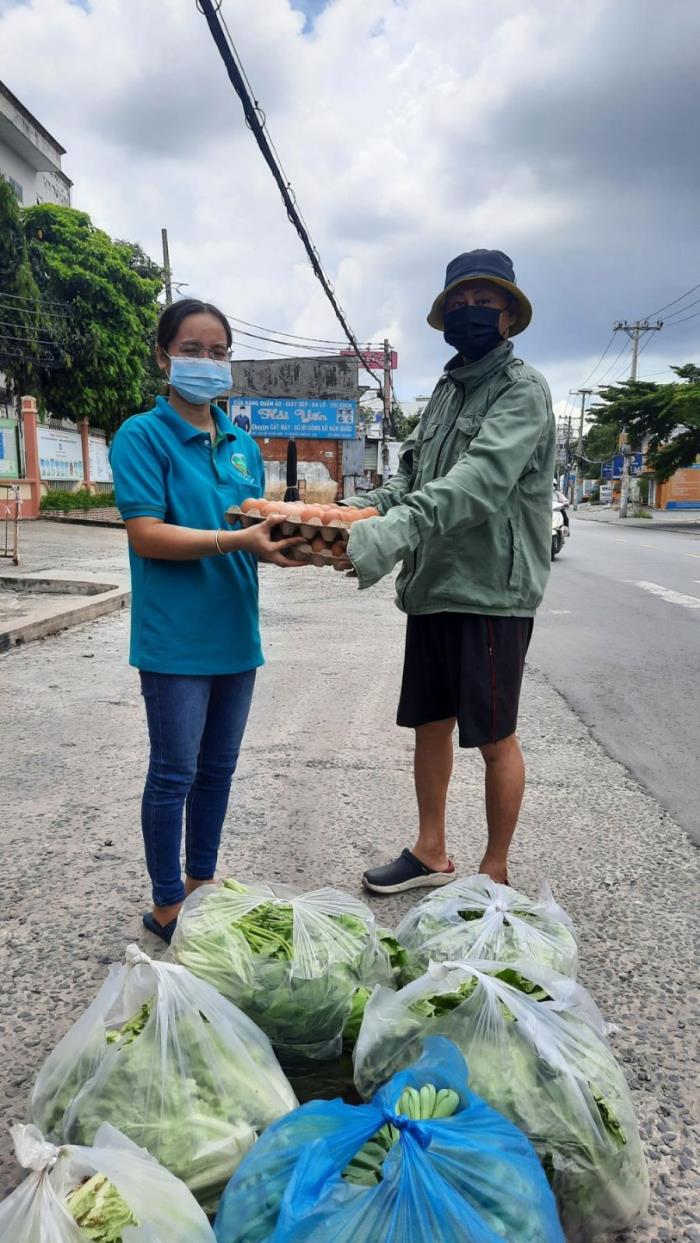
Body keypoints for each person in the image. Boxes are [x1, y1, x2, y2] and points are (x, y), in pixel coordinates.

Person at [343, 250, 555, 892]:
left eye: (484, 304)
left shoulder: (524, 389)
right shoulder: (442, 390)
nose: (470, 313)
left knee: (494, 737)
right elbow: (409, 477)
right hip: (433, 585)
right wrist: (343, 519)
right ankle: (430, 850)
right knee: (430, 724)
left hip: (491, 590)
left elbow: (481, 480)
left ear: (509, 315)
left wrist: (394, 531)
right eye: (458, 304)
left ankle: (495, 873)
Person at [110, 298, 301, 942]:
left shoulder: (243, 445)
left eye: (219, 352)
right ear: (163, 356)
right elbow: (147, 535)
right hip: (174, 641)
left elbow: (249, 530)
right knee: (174, 772)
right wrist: (237, 544)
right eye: (192, 350)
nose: (207, 362)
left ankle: (202, 886)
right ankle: (167, 905)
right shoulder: (142, 436)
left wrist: (290, 547)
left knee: (217, 771)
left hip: (234, 636)